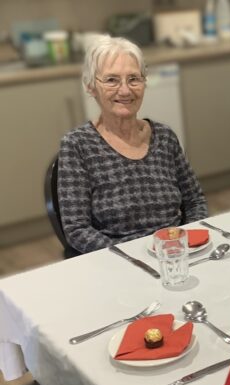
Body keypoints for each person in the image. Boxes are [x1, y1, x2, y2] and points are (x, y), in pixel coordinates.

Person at [57, 35, 208, 253]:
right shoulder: (77, 145)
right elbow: (77, 229)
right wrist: (135, 257)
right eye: (111, 80)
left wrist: (185, 244)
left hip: (177, 255)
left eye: (134, 79)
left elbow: (195, 201)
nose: (125, 90)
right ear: (90, 86)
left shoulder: (164, 137)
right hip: (118, 263)